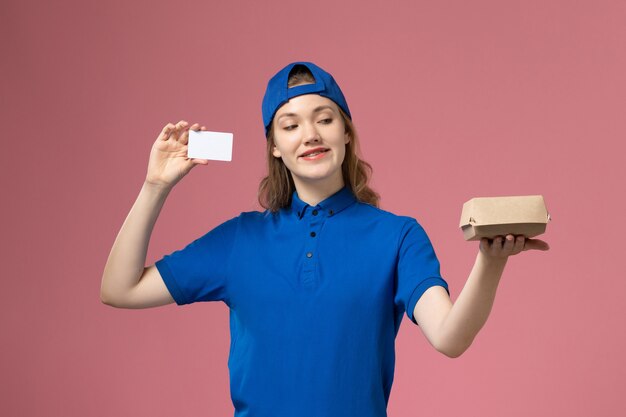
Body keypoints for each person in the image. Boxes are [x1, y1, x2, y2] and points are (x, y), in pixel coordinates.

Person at [100, 61, 550, 417]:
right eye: (290, 125)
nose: (310, 135)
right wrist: (155, 187)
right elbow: (120, 289)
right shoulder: (241, 239)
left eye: (325, 118)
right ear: (274, 145)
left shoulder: (398, 236)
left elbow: (450, 337)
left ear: (347, 132)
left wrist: (491, 262)